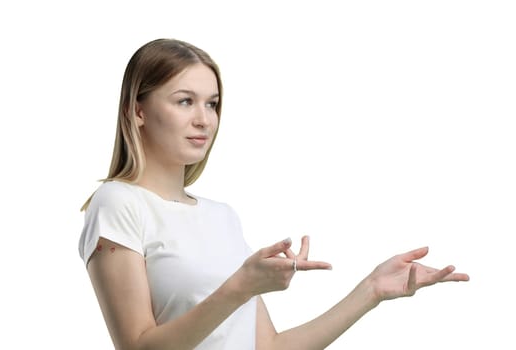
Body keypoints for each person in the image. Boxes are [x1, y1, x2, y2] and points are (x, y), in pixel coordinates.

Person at [78, 38, 470, 350]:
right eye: (185, 101)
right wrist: (240, 287)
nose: (204, 119)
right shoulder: (118, 203)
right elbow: (137, 347)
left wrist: (370, 291)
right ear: (138, 111)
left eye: (212, 104)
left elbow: (270, 347)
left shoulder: (221, 216)